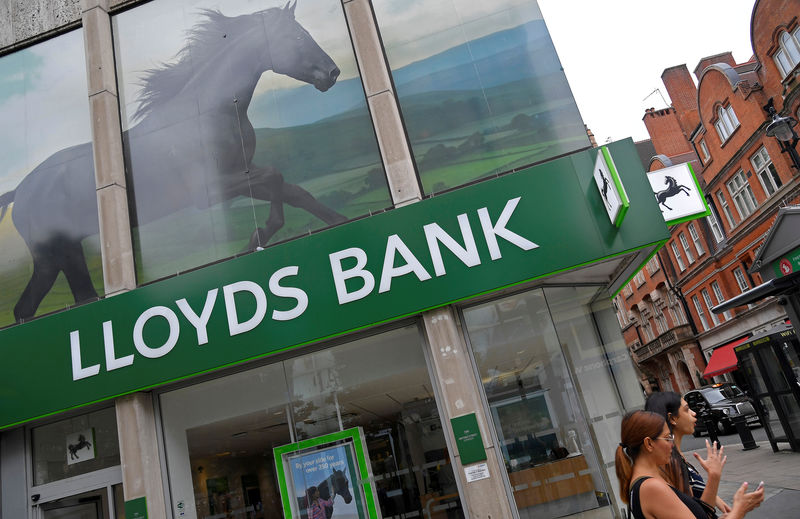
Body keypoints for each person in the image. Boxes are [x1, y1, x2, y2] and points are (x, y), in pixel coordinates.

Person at [616, 410, 763, 519]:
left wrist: (714, 476)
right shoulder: (651, 487)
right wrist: (739, 509)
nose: (672, 444)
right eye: (667, 438)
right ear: (649, 443)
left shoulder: (648, 482)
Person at [646, 391, 731, 513]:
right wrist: (714, 477)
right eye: (686, 410)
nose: (694, 413)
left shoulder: (675, 457)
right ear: (672, 418)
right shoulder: (670, 462)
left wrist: (714, 497)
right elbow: (696, 513)